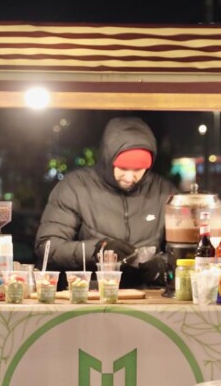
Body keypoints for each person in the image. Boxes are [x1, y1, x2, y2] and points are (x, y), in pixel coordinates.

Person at [35, 117, 175, 288]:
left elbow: (187, 253)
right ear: (108, 159)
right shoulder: (75, 188)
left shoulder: (164, 193)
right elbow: (48, 247)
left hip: (149, 295)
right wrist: (98, 249)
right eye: (123, 168)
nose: (130, 177)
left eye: (138, 170)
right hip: (89, 292)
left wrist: (162, 265)